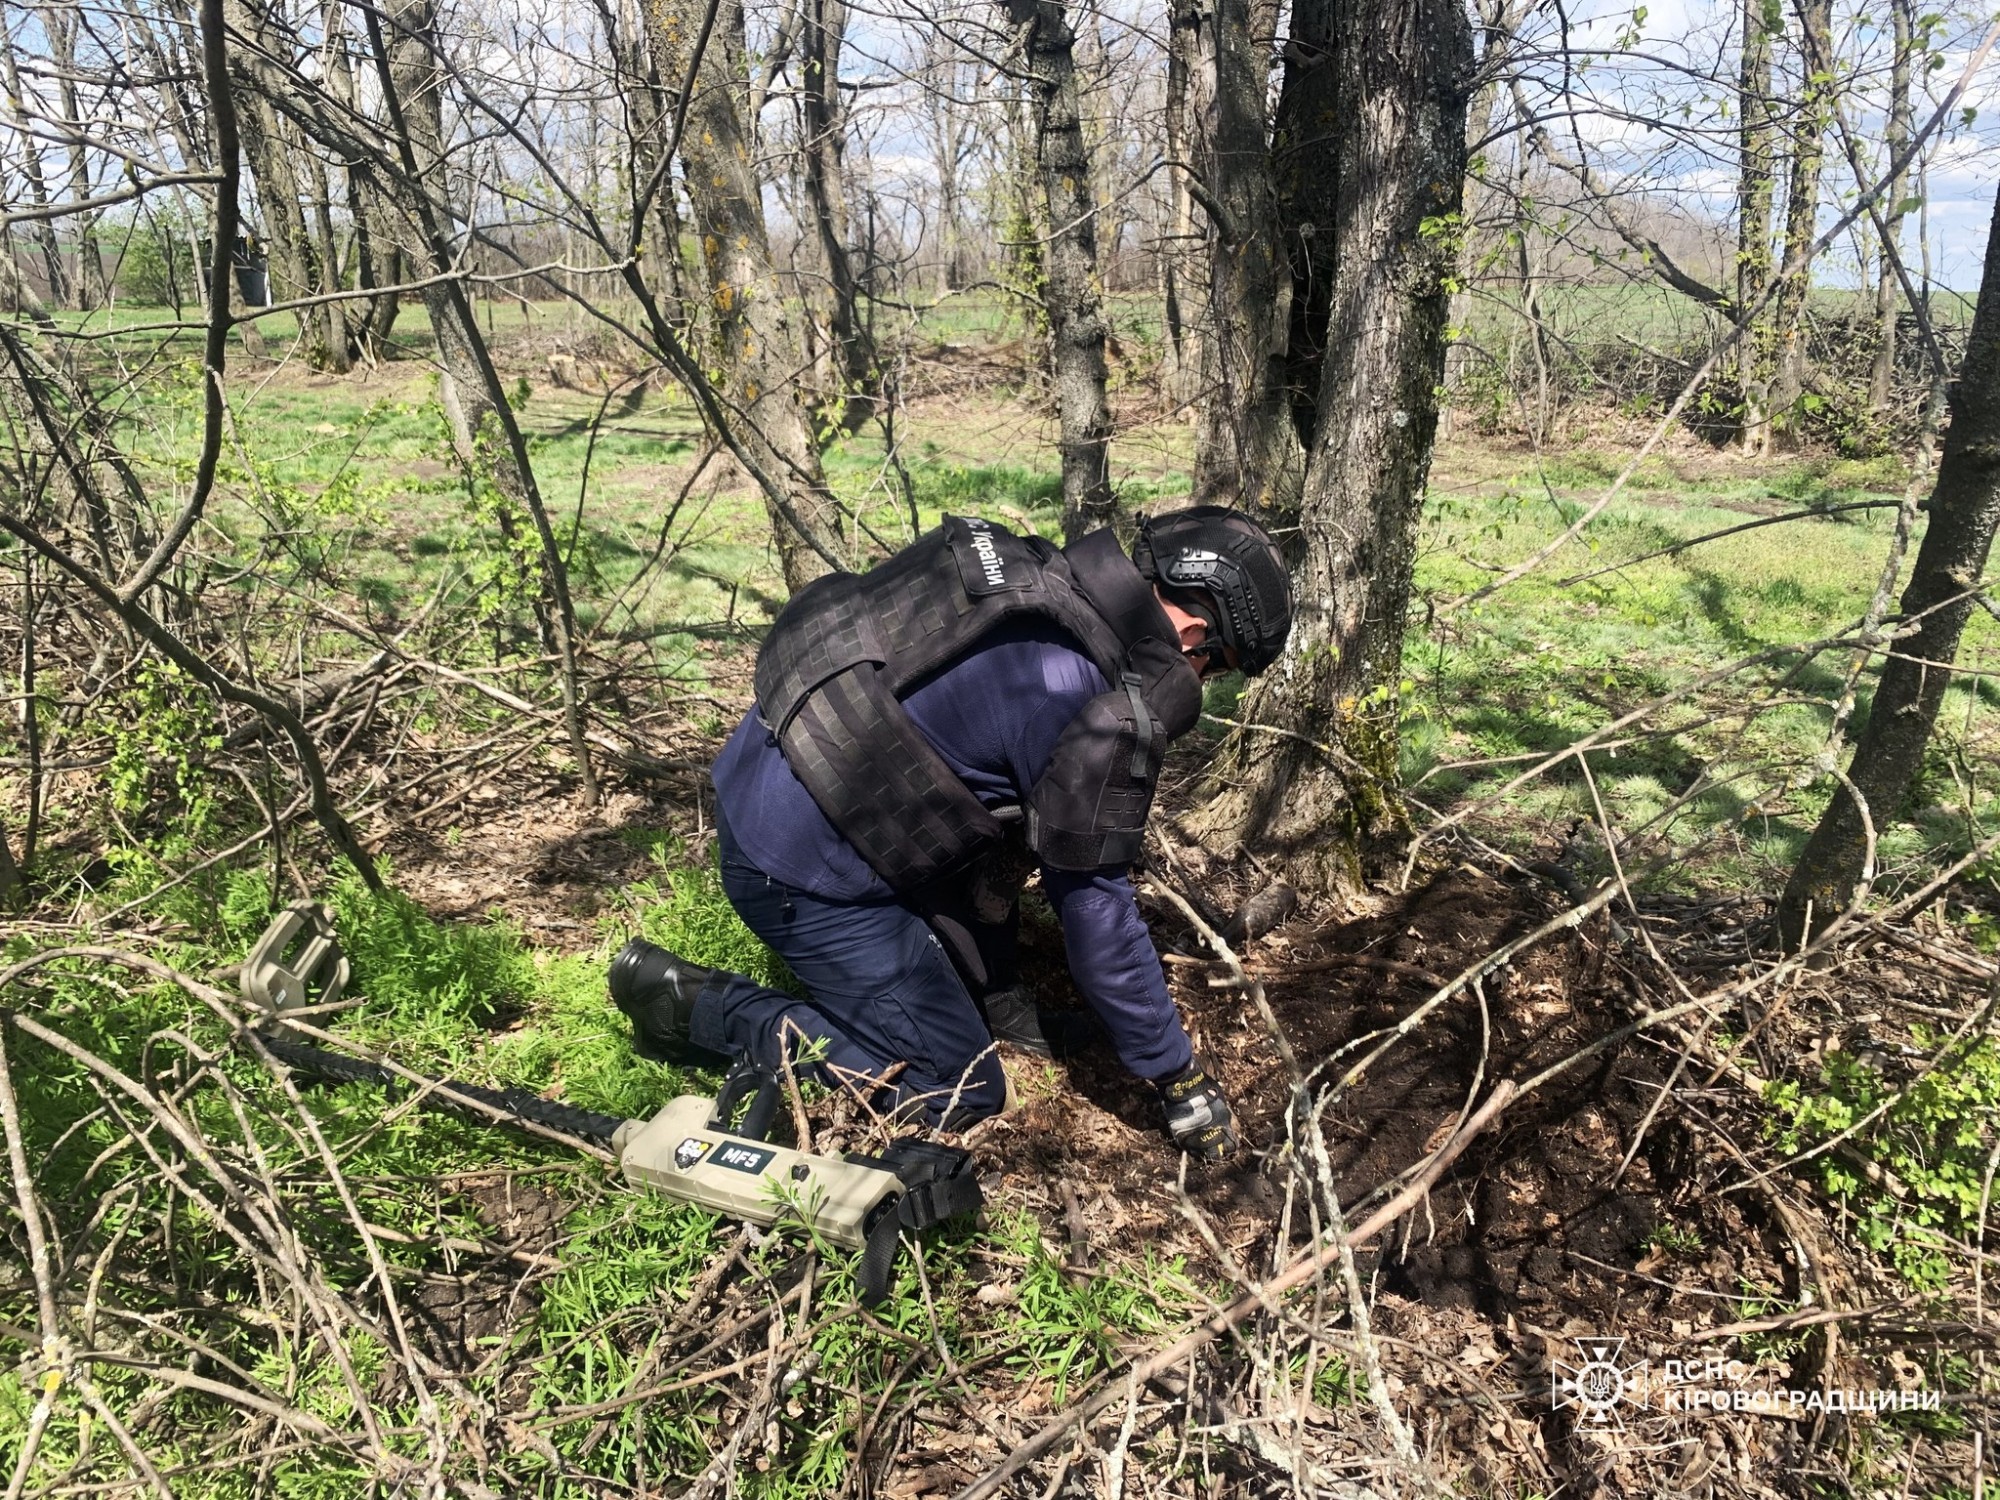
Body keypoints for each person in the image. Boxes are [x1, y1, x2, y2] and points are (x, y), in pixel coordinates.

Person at [608, 506, 1293, 1158]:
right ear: (1198, 638)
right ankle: (693, 1008)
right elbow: (1097, 908)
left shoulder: (1025, 571)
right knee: (954, 1090)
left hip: (763, 765)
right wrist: (1177, 1077)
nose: (1203, 682)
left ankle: (990, 998)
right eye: (1219, 669)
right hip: (796, 872)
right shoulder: (1081, 696)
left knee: (1016, 821)